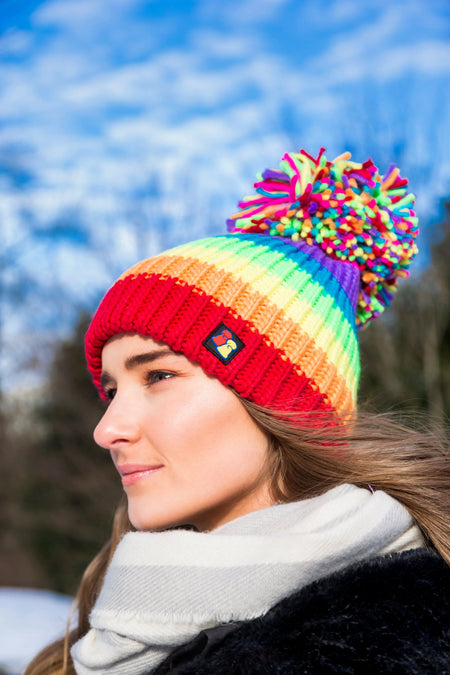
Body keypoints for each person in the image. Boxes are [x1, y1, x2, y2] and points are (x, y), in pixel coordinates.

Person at [25, 148, 449, 674]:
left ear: (283, 402)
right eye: (112, 391)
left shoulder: (391, 642)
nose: (107, 429)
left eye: (158, 376)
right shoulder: (100, 631)